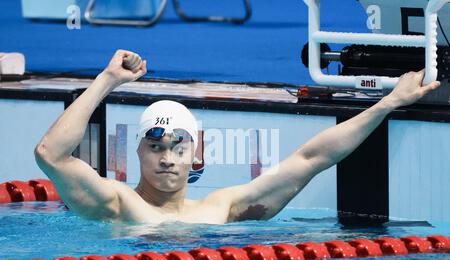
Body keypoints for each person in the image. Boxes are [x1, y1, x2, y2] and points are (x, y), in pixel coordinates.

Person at [34, 49, 441, 224]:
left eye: (178, 147)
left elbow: (312, 159)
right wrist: (107, 80)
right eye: (155, 147)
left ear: (197, 155)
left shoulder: (222, 209)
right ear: (137, 151)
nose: (167, 158)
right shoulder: (116, 204)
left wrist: (388, 103)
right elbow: (51, 155)